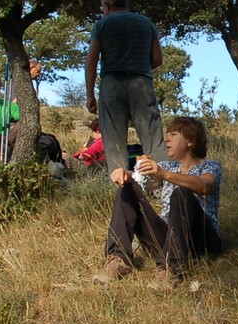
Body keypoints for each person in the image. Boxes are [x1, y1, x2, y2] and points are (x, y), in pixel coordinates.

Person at [94, 116, 222, 288]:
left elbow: (206, 185)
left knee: (182, 193)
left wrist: (163, 175)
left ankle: (171, 269)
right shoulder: (167, 166)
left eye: (173, 135)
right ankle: (118, 259)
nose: (166, 138)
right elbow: (142, 180)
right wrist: (125, 175)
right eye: (166, 134)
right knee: (127, 189)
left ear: (190, 141)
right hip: (169, 238)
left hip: (202, 240)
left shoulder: (210, 166)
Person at [85, 0, 167, 180]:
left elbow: (92, 61)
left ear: (107, 6)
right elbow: (157, 59)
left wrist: (90, 95)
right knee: (153, 136)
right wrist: (140, 66)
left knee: (114, 139)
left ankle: (120, 184)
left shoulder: (102, 25)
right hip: (142, 83)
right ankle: (163, 182)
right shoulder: (146, 23)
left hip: (112, 83)